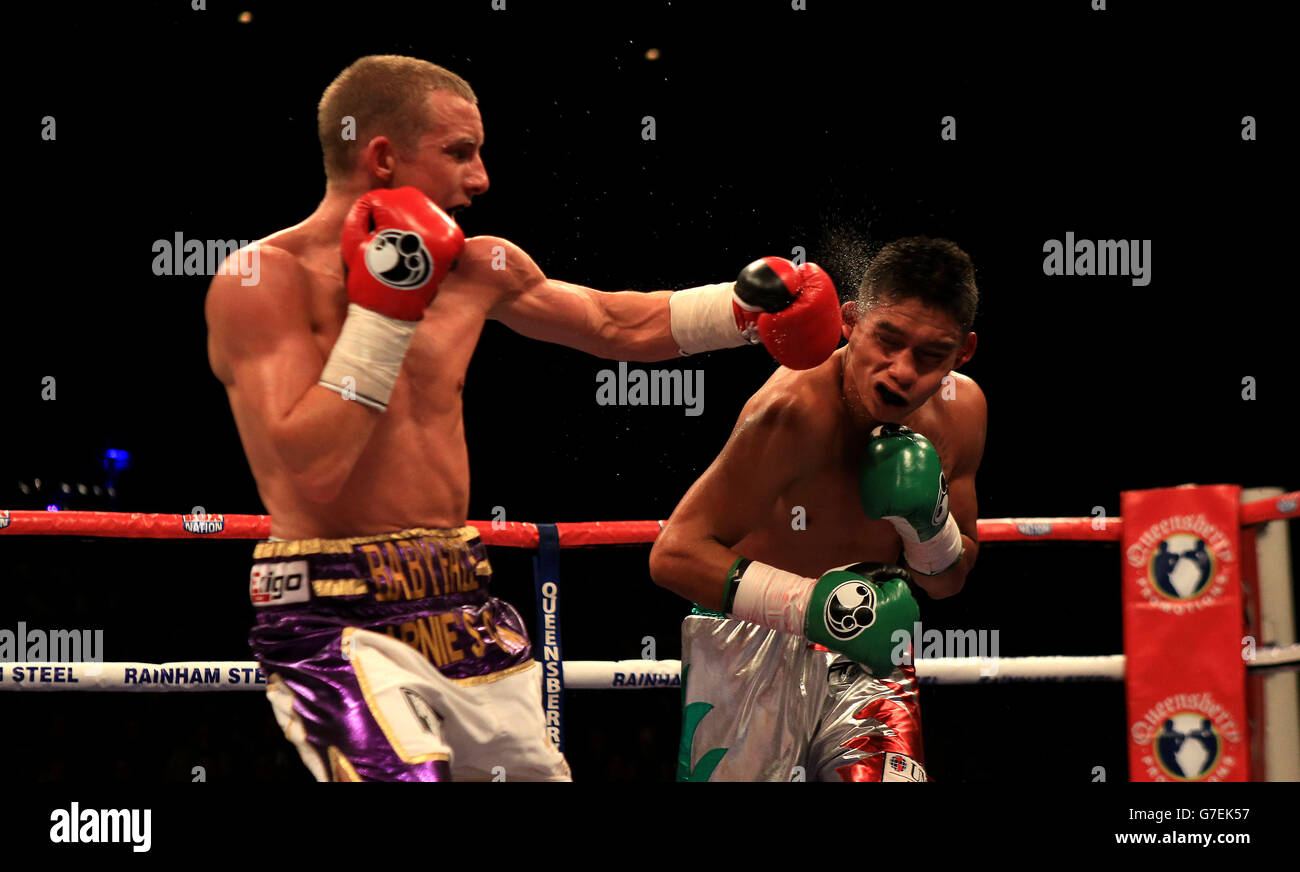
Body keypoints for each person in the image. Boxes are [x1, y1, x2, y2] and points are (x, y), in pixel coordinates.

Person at [204, 55, 841, 781]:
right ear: (381, 155)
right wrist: (387, 312)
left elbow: (612, 322)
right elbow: (309, 471)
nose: (480, 179)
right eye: (459, 152)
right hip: (336, 612)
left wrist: (747, 310)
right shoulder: (262, 282)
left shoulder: (479, 267)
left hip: (459, 595)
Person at [649, 236, 987, 782]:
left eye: (931, 355)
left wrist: (928, 527)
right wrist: (813, 606)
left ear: (962, 352)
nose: (902, 370)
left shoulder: (963, 412)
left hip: (874, 638)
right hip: (750, 639)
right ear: (851, 322)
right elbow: (673, 555)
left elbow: (949, 581)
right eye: (888, 340)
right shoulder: (790, 412)